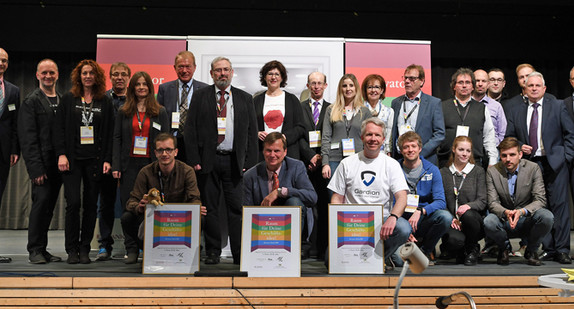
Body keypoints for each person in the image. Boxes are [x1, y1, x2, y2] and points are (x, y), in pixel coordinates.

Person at [185, 56, 258, 265]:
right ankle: (213, 251)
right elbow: (190, 130)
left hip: (236, 162)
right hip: (207, 161)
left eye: (226, 70)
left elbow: (252, 133)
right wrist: (194, 159)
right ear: (211, 74)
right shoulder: (200, 96)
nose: (222, 74)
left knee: (237, 209)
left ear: (232, 72)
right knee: (210, 208)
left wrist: (249, 162)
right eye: (218, 70)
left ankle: (238, 253)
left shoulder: (245, 98)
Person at [505, 71, 574, 264]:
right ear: (525, 89)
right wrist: (519, 145)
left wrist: (566, 157)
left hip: (556, 163)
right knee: (539, 208)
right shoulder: (516, 110)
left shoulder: (558, 106)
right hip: (530, 165)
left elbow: (570, 134)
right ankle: (548, 248)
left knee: (560, 207)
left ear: (544, 89)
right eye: (530, 86)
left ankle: (561, 249)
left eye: (537, 86)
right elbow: (509, 137)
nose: (534, 88)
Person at [53, 59, 114, 264]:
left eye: (91, 73)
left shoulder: (104, 101)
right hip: (72, 160)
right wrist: (61, 154)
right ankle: (71, 249)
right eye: (84, 73)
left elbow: (109, 133)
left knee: (90, 205)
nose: (88, 76)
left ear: (97, 77)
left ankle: (85, 247)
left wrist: (107, 159)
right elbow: (58, 129)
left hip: (95, 161)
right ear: (79, 76)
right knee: (74, 203)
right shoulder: (69, 99)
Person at [328, 117, 411, 264]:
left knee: (403, 227)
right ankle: (367, 260)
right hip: (351, 222)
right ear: (362, 137)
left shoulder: (391, 165)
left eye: (377, 135)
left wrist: (393, 217)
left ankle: (379, 260)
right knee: (330, 261)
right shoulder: (347, 163)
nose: (373, 139)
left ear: (383, 139)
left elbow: (402, 197)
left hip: (381, 222)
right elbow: (337, 198)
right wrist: (338, 223)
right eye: (369, 134)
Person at [122, 133, 202, 264]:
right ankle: (142, 249)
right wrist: (139, 207)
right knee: (127, 218)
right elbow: (131, 201)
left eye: (168, 150)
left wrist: (196, 208)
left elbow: (195, 198)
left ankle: (188, 252)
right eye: (160, 150)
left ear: (176, 152)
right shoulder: (145, 172)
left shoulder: (187, 171)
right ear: (155, 153)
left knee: (202, 218)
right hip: (153, 219)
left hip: (179, 219)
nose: (165, 154)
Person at [112, 71, 169, 245]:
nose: (141, 87)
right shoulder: (124, 111)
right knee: (130, 206)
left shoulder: (160, 111)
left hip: (151, 164)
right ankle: (131, 247)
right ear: (132, 88)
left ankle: (149, 246)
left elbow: (165, 139)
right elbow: (117, 138)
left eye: (145, 84)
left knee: (152, 205)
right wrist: (116, 166)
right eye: (138, 84)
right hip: (128, 164)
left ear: (150, 88)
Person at [19, 59, 62, 264]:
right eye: (44, 73)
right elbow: (28, 138)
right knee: (40, 206)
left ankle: (43, 249)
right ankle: (34, 249)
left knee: (48, 208)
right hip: (41, 165)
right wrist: (35, 169)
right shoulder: (31, 101)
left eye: (51, 73)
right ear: (37, 75)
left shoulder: (61, 99)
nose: (48, 76)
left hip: (58, 166)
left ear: (57, 75)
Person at [484, 137, 553, 266]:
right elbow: (492, 203)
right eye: (504, 155)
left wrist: (521, 212)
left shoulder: (533, 168)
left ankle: (532, 251)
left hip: (526, 218)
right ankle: (504, 249)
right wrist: (507, 212)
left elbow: (540, 199)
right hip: (505, 219)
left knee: (546, 216)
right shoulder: (492, 171)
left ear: (520, 154)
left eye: (512, 155)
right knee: (489, 221)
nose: (508, 159)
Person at [397, 131, 451, 264]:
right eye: (406, 147)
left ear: (420, 148)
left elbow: (440, 201)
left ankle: (425, 251)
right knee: (399, 261)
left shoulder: (432, 170)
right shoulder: (394, 168)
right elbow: (390, 201)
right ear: (401, 150)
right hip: (401, 218)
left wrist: (420, 211)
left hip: (422, 217)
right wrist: (404, 230)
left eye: (413, 146)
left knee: (445, 217)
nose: (410, 150)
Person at [96, 62, 132, 261]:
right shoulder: (102, 100)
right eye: (116, 74)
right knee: (106, 205)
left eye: (123, 74)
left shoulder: (135, 101)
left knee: (130, 205)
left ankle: (133, 246)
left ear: (129, 77)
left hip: (129, 161)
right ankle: (104, 246)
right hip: (107, 161)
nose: (120, 77)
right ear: (110, 77)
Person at [439, 136, 487, 266]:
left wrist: (467, 206)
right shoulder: (443, 172)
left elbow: (482, 201)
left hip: (472, 221)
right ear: (454, 149)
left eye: (468, 151)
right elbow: (440, 200)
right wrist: (450, 218)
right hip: (453, 221)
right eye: (461, 149)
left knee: (468, 214)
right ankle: (461, 249)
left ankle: (472, 248)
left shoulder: (478, 171)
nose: (465, 154)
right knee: (453, 241)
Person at [438, 68, 498, 168]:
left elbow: (489, 137)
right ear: (454, 86)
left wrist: (492, 160)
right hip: (446, 163)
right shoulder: (442, 107)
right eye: (460, 82)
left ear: (472, 86)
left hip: (474, 163)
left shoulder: (482, 108)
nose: (464, 85)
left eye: (468, 82)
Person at [299, 72, 330, 259]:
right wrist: (310, 156)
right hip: (304, 164)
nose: (316, 86)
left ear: (325, 86)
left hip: (325, 164)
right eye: (313, 83)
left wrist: (321, 158)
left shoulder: (332, 108)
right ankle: (303, 246)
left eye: (320, 83)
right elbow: (298, 135)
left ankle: (322, 247)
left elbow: (331, 135)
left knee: (324, 207)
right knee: (303, 206)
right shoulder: (299, 107)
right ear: (308, 85)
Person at [244, 132, 317, 210]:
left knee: (294, 202)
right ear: (263, 151)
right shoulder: (250, 175)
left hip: (289, 218)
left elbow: (312, 197)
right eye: (268, 150)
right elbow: (246, 210)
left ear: (285, 152)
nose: (272, 155)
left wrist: (280, 192)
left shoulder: (296, 167)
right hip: (263, 219)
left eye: (276, 151)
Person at [157, 51, 208, 161]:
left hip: (195, 143)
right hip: (171, 142)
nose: (184, 71)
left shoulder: (205, 90)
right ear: (174, 68)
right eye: (180, 67)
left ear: (194, 67)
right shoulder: (164, 89)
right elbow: (158, 118)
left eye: (188, 66)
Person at [391, 64, 445, 165]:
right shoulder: (396, 102)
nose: (407, 81)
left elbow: (439, 134)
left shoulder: (433, 103)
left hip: (424, 159)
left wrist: (420, 152)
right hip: (399, 160)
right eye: (405, 78)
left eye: (412, 78)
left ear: (421, 81)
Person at [321, 74, 371, 181]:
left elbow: (368, 138)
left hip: (358, 159)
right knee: (335, 196)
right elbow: (326, 137)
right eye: (344, 86)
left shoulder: (365, 111)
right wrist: (325, 163)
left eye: (351, 85)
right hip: (334, 160)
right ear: (340, 89)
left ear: (356, 88)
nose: (348, 89)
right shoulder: (331, 109)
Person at [254, 60, 306, 161]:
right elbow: (249, 126)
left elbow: (301, 127)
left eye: (277, 74)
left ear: (282, 78)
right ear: (264, 77)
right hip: (262, 153)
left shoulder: (292, 99)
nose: (273, 77)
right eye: (270, 74)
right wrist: (257, 133)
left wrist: (285, 137)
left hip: (288, 153)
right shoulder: (256, 100)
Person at [0, 48, 20, 262]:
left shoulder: (13, 90)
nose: (1, 63)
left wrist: (15, 149)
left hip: (3, 153)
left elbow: (14, 123)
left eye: (4, 60)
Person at [362, 74, 394, 155]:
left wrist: (388, 151)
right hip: (362, 152)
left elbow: (389, 135)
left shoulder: (389, 111)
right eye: (370, 87)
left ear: (382, 90)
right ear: (365, 90)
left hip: (382, 153)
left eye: (377, 87)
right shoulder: (358, 110)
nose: (373, 90)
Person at [473, 69, 507, 145]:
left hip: (491, 150)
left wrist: (495, 146)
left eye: (483, 81)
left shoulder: (496, 106)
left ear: (488, 84)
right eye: (477, 81)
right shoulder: (466, 103)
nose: (480, 84)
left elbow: (502, 133)